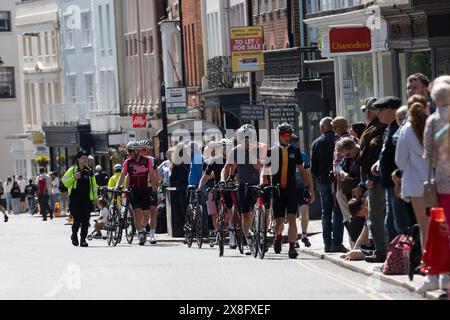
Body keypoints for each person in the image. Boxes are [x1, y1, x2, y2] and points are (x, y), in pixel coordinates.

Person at [262, 123, 313, 259]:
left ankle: (291, 248)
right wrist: (265, 183)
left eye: (289, 135)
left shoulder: (295, 151)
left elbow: (302, 170)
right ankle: (278, 237)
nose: (287, 137)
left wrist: (307, 187)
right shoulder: (271, 151)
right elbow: (265, 170)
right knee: (279, 222)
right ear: (279, 136)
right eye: (285, 135)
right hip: (277, 190)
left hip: (291, 190)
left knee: (292, 219)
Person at [419, 79, 450, 293]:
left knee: (440, 230)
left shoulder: (433, 120)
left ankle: (441, 274)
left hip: (442, 186)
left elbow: (427, 155)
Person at [372, 96, 412, 242]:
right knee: (391, 222)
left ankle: (403, 258)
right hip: (389, 183)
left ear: (392, 110)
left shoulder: (400, 127)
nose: (378, 113)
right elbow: (387, 151)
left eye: (381, 110)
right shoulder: (390, 128)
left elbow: (402, 154)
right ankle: (394, 258)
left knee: (399, 223)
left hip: (397, 182)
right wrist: (378, 163)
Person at [354, 97, 388, 263]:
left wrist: (372, 179)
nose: (365, 114)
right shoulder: (372, 129)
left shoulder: (378, 130)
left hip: (376, 180)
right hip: (370, 180)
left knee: (375, 217)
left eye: (367, 110)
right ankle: (381, 249)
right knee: (375, 217)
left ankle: (382, 250)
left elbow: (376, 156)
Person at [221, 124, 262, 255]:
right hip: (243, 186)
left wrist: (251, 153)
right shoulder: (235, 151)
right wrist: (223, 178)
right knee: (246, 214)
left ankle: (261, 233)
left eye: (248, 137)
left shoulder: (258, 150)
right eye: (244, 137)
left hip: (257, 185)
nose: (246, 140)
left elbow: (258, 166)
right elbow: (226, 168)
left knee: (260, 211)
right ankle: (249, 241)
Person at [311, 117, 346, 253]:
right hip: (337, 180)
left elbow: (313, 167)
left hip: (323, 182)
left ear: (322, 128)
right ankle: (337, 242)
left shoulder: (317, 143)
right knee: (338, 211)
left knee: (326, 212)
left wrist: (318, 179)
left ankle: (327, 243)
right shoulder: (338, 140)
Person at [114, 141, 158, 246]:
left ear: (137, 151)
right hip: (133, 190)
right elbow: (123, 175)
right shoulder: (127, 162)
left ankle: (141, 228)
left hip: (145, 189)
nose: (129, 153)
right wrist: (117, 186)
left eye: (130, 151)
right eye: (128, 151)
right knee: (137, 213)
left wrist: (154, 188)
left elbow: (151, 174)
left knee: (146, 215)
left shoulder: (147, 161)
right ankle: (140, 233)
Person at [197, 139, 234, 246]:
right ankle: (219, 233)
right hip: (218, 188)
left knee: (231, 210)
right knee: (217, 212)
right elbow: (205, 176)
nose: (226, 150)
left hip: (230, 188)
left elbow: (237, 174)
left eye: (228, 148)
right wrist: (200, 187)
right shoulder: (214, 161)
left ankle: (232, 236)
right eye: (224, 148)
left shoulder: (234, 159)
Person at [62, 150, 98, 247]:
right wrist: (73, 177)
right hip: (75, 198)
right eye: (83, 158)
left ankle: (83, 240)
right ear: (78, 159)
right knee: (77, 220)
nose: (85, 160)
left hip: (86, 199)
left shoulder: (89, 171)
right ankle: (74, 235)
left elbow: (94, 186)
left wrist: (95, 198)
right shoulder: (72, 170)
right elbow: (64, 182)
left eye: (86, 158)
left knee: (86, 220)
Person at [291, 134, 314, 248]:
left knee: (304, 210)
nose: (293, 144)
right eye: (291, 142)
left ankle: (304, 235)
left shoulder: (303, 156)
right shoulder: (285, 155)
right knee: (293, 215)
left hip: (302, 188)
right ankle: (294, 239)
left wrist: (311, 190)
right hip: (290, 189)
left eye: (295, 142)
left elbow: (308, 173)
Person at [138, 140, 160, 244]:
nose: (143, 151)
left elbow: (156, 175)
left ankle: (152, 234)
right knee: (144, 213)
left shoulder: (152, 160)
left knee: (153, 211)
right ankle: (142, 230)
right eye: (141, 149)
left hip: (151, 188)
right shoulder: (135, 160)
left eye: (145, 149)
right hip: (141, 189)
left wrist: (156, 187)